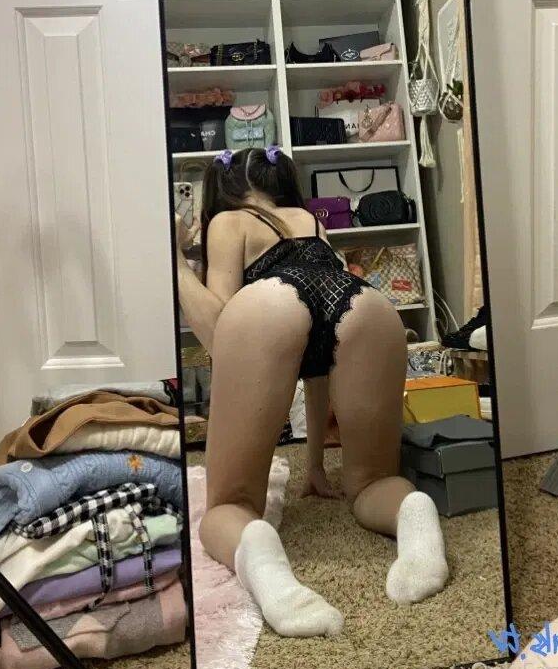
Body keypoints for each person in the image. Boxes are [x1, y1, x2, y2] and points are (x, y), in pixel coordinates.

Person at [175, 146, 448, 638]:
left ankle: (262, 557)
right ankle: (412, 512)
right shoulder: (310, 220)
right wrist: (316, 463)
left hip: (268, 305)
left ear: (223, 188)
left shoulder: (228, 222)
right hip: (366, 306)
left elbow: (219, 328)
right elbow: (319, 364)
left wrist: (173, 261)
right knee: (372, 482)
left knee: (229, 506)